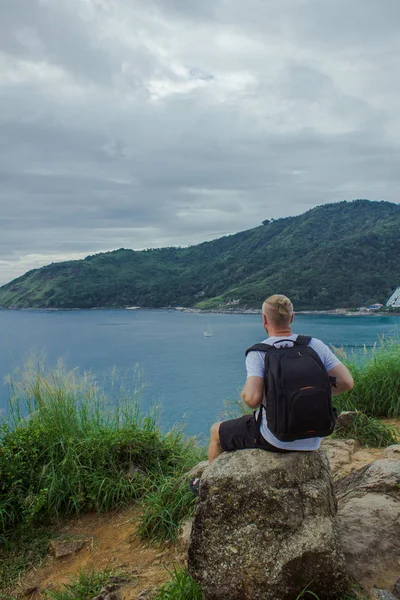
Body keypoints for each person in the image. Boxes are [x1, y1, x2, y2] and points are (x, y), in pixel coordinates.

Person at [190, 294, 354, 493]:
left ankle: (206, 488)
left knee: (216, 431)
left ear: (264, 320)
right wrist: (315, 394)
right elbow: (346, 382)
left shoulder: (259, 352)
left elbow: (252, 399)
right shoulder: (314, 345)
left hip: (277, 437)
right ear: (291, 318)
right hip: (315, 437)